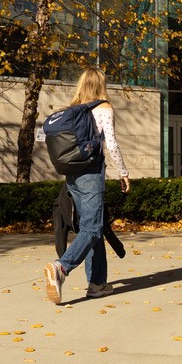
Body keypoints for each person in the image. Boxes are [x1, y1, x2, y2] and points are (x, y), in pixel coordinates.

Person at [43, 68, 130, 304]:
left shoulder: (75, 109)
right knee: (92, 228)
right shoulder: (104, 108)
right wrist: (123, 172)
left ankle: (97, 284)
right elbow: (111, 144)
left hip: (73, 175)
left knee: (93, 228)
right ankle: (61, 267)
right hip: (91, 173)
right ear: (101, 85)